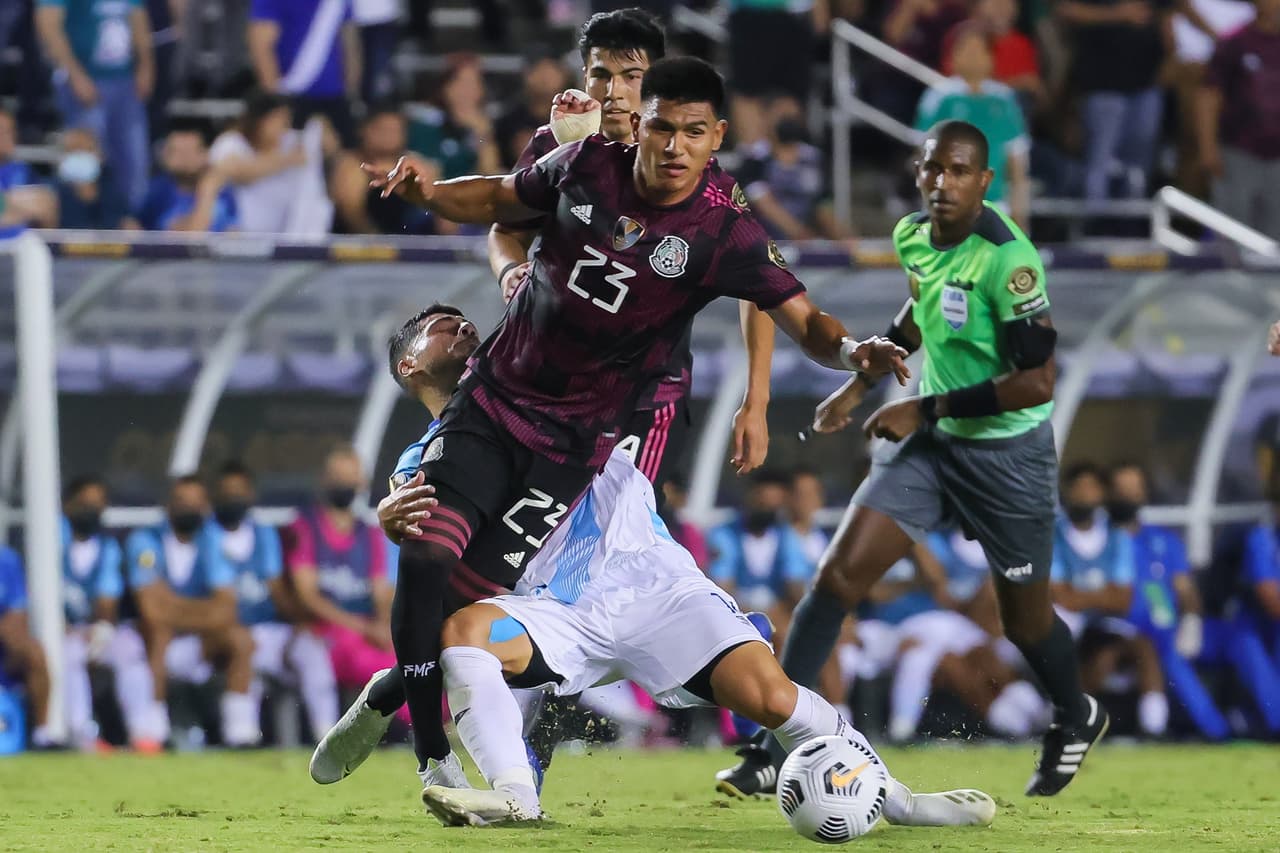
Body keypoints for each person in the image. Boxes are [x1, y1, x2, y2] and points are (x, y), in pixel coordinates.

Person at [357, 56, 909, 794]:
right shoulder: (584, 163)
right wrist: (432, 195)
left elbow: (799, 315)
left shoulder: (726, 231)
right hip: (502, 412)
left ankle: (878, 783)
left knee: (628, 542)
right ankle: (482, 774)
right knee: (441, 587)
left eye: (691, 133)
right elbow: (499, 203)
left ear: (715, 138)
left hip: (595, 436)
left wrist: (843, 354)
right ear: (637, 123)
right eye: (660, 127)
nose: (673, 146)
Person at [313, 305, 996, 834]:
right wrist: (391, 514)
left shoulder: (539, 381)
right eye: (437, 328)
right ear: (409, 367)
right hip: (554, 612)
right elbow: (428, 546)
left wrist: (757, 395)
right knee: (464, 633)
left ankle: (894, 797)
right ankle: (515, 796)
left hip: (653, 586)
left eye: (463, 321)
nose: (460, 326)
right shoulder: (421, 461)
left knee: (772, 699)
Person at [720, 120, 1104, 798]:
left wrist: (920, 408)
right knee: (836, 578)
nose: (942, 183)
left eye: (958, 171)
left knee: (1024, 621)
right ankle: (772, 744)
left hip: (1008, 454)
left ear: (985, 182)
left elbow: (1038, 381)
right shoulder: (913, 236)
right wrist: (858, 384)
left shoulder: (1008, 260)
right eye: (932, 169)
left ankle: (1077, 713)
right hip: (933, 445)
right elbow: (923, 308)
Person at [488, 10, 773, 496]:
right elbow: (504, 231)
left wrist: (757, 400)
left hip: (645, 397)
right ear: (584, 77)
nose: (614, 91)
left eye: (632, 77)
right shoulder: (557, 147)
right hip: (550, 387)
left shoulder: (692, 171)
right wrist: (510, 272)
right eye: (601, 75)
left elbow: (761, 283)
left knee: (618, 539)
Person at [122, 476, 259, 748]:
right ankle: (155, 728)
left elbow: (226, 608)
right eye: (183, 502)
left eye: (197, 503)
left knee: (241, 639)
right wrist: (203, 612)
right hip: (151, 643)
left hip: (199, 642)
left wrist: (173, 606)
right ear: (168, 505)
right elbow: (151, 611)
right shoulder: (144, 541)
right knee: (158, 631)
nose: (190, 510)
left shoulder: (213, 539)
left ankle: (240, 731)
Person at [214, 461, 338, 743]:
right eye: (227, 492)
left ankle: (329, 736)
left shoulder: (263, 533)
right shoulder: (209, 533)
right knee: (245, 653)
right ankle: (241, 738)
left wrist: (300, 623)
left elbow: (276, 590)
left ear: (250, 496)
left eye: (239, 492)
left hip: (267, 628)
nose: (234, 498)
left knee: (311, 650)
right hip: (226, 631)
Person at [1109, 462, 1230, 740]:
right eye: (1121, 490)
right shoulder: (1103, 542)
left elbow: (1185, 589)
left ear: (1145, 494)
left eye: (1134, 490)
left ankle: (1266, 722)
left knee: (1241, 639)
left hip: (1171, 626)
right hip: (1129, 631)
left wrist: (1192, 619)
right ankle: (1216, 733)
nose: (1127, 496)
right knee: (1168, 653)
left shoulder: (1163, 540)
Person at [1051, 462, 1168, 739]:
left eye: (1091, 489)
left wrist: (1083, 596)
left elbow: (1123, 599)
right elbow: (1060, 595)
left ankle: (1155, 730)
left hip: (1104, 623)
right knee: (1090, 659)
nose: (1085, 496)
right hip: (1066, 624)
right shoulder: (1052, 536)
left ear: (1102, 494)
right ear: (1066, 493)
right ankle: (1066, 723)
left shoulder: (1116, 537)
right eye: (1078, 489)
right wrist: (1103, 594)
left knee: (1142, 649)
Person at [286, 446, 396, 705]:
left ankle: (437, 724)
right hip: (323, 630)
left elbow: (381, 592)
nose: (344, 485)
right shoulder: (305, 528)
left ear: (361, 483)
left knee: (400, 656)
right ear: (324, 480)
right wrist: (363, 627)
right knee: (372, 665)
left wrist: (381, 625)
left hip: (365, 631)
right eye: (338, 477)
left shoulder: (370, 535)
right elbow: (308, 597)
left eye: (350, 478)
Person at [35, 0, 154, 210]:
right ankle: (82, 220)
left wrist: (146, 64)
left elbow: (138, 18)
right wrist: (75, 74)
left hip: (125, 82)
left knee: (133, 160)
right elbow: (48, 24)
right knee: (85, 160)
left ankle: (128, 220)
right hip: (86, 81)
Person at [915, 23, 1030, 229]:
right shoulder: (940, 98)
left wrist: (1020, 221)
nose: (973, 56)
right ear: (953, 56)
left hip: (995, 206)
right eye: (966, 49)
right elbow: (924, 155)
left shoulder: (1005, 100)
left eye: (979, 50)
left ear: (991, 58)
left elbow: (1017, 165)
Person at [1057, 0, 1167, 204]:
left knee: (1139, 166)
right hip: (1103, 85)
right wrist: (1119, 14)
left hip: (1146, 85)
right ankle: (1094, 224)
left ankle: (1132, 224)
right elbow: (1066, 10)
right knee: (1100, 160)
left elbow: (1165, 14)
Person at [1197, 0, 1280, 238]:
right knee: (1233, 234)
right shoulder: (1235, 42)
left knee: (1275, 240)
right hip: (1239, 150)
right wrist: (1207, 147)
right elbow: (1209, 96)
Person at [209, 90, 335, 236]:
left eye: (286, 118)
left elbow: (329, 147)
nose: (284, 125)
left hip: (287, 237)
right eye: (277, 119)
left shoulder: (293, 142)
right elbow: (236, 171)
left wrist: (322, 130)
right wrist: (287, 160)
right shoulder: (231, 142)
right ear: (258, 120)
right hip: (239, 236)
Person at [60, 475, 124, 750]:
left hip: (88, 630)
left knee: (130, 650)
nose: (91, 511)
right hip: (57, 631)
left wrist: (100, 630)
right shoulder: (52, 536)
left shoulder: (107, 547)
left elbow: (107, 602)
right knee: (70, 653)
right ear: (68, 506)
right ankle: (81, 734)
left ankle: (146, 733)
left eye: (98, 505)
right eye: (84, 504)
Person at [707, 470, 812, 632]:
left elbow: (795, 585)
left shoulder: (787, 536)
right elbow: (722, 586)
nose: (766, 509)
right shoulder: (725, 534)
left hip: (779, 614)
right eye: (761, 502)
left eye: (773, 506)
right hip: (735, 614)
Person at [248, 0, 360, 146]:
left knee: (346, 153)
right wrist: (274, 99)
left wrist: (351, 88)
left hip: (335, 94)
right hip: (289, 94)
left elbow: (349, 41)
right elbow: (261, 44)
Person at [332, 105, 439, 235]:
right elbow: (351, 212)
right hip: (361, 243)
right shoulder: (352, 164)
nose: (388, 136)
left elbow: (440, 210)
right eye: (381, 129)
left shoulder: (417, 163)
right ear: (363, 130)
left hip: (416, 242)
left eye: (395, 130)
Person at [405, 53, 502, 181]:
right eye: (461, 83)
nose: (467, 91)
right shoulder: (426, 123)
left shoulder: (484, 124)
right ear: (445, 88)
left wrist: (482, 136)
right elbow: (429, 169)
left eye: (474, 83)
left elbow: (490, 171)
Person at [0, 544, 59, 748]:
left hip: (4, 652)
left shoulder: (6, 560)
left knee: (34, 652)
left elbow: (17, 619)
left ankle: (42, 735)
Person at [137, 127, 238, 232]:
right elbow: (186, 238)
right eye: (174, 151)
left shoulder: (224, 192)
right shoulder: (160, 190)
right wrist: (207, 191)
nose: (182, 159)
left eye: (187, 152)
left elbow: (234, 232)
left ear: (204, 154)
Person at [54, 128, 137, 229]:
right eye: (73, 150)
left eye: (86, 150)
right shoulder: (52, 193)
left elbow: (127, 224)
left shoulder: (112, 189)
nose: (80, 156)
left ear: (100, 155)